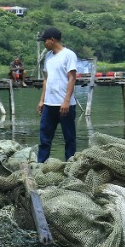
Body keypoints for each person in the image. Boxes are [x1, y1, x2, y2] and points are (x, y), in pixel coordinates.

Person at [36, 26, 79, 162]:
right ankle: (40, 164)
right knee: (44, 137)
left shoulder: (68, 55)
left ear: (52, 40)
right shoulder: (48, 56)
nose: (44, 43)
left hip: (65, 105)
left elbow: (72, 78)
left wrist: (66, 101)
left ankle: (70, 164)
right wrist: (41, 100)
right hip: (49, 104)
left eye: (45, 41)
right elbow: (46, 79)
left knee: (69, 137)